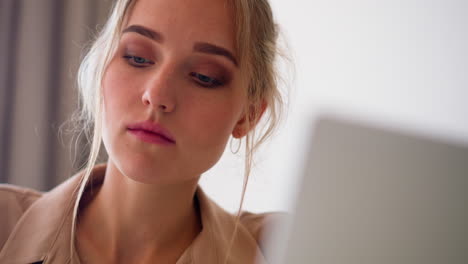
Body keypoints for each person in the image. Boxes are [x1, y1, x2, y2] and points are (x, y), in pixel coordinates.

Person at [0, 0, 286, 263]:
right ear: (101, 66)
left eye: (203, 76)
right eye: (137, 58)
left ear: (248, 115)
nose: (157, 94)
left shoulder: (280, 249)